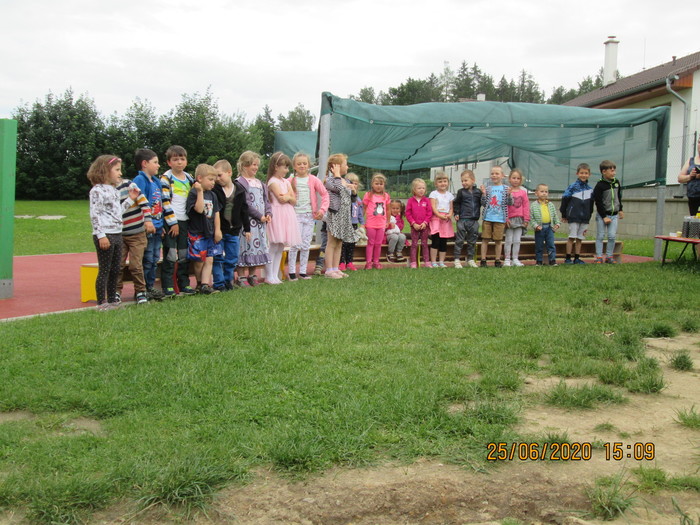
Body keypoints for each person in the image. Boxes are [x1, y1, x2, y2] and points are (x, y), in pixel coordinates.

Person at [87, 155, 139, 310]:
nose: (120, 173)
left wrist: (130, 199)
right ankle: (101, 302)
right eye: (117, 170)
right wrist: (101, 235)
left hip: (117, 233)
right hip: (105, 234)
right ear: (105, 170)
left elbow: (117, 212)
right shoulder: (97, 191)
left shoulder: (114, 190)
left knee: (116, 269)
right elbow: (95, 214)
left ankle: (112, 300)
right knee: (105, 269)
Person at [160, 145, 196, 296]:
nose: (179, 162)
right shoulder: (166, 178)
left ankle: (184, 284)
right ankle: (168, 285)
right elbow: (165, 202)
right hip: (171, 221)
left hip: (185, 220)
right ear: (169, 162)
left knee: (183, 253)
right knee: (170, 254)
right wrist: (172, 222)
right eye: (175, 159)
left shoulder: (189, 178)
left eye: (182, 159)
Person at [288, 152, 328, 280]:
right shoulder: (291, 180)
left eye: (304, 163)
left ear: (309, 165)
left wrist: (322, 210)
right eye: (299, 164)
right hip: (295, 216)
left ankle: (303, 271)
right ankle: (291, 272)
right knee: (295, 244)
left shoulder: (313, 180)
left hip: (309, 216)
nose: (302, 166)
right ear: (294, 166)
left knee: (306, 244)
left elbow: (325, 194)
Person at [212, 159, 250, 291]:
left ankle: (228, 281)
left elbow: (244, 210)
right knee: (217, 257)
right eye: (215, 176)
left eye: (219, 175)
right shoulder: (215, 190)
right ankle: (219, 283)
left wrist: (247, 228)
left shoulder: (239, 190)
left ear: (229, 172)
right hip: (219, 230)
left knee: (232, 258)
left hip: (234, 230)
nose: (217, 179)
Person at [133, 148, 165, 300]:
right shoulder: (140, 180)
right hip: (147, 227)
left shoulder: (156, 181)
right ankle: (142, 289)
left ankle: (150, 286)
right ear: (144, 163)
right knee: (147, 259)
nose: (158, 165)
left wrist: (162, 224)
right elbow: (140, 203)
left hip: (158, 227)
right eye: (155, 162)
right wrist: (148, 222)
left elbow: (160, 205)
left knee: (154, 259)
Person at [115, 176, 153, 304]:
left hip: (137, 233)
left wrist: (148, 220)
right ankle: (116, 291)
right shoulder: (108, 190)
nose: (119, 173)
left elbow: (144, 203)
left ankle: (140, 291)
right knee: (118, 265)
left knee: (135, 265)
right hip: (119, 234)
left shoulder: (129, 185)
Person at [236, 151, 271, 287]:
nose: (256, 167)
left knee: (257, 247)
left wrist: (268, 213)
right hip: (247, 222)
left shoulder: (260, 183)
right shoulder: (240, 183)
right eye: (253, 165)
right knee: (245, 246)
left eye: (256, 165)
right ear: (244, 166)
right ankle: (241, 276)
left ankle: (252, 274)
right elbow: (246, 204)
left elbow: (266, 200)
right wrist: (259, 215)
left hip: (260, 223)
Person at [266, 152, 301, 285]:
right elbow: (280, 199)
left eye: (287, 167)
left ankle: (275, 275)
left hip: (286, 214)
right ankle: (269, 275)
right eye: (285, 167)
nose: (286, 170)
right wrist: (288, 197)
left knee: (280, 246)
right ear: (276, 167)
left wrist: (288, 197)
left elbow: (294, 200)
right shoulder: (272, 182)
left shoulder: (286, 182)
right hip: (277, 214)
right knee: (273, 245)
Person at [186, 164, 222, 294]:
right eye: (210, 179)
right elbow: (199, 209)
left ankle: (205, 285)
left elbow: (216, 213)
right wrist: (200, 191)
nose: (213, 183)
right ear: (200, 178)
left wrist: (218, 230)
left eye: (214, 180)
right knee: (199, 261)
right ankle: (199, 282)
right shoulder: (194, 193)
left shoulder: (213, 195)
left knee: (209, 259)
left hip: (209, 233)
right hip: (197, 232)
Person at [324, 153, 354, 278]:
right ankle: (329, 270)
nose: (347, 167)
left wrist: (351, 188)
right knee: (332, 242)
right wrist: (336, 175)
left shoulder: (345, 181)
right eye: (345, 164)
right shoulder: (330, 180)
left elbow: (350, 195)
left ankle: (336, 268)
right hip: (335, 214)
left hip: (344, 215)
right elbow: (338, 189)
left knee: (339, 242)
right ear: (336, 166)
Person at [560, 163, 594, 264]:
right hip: (573, 216)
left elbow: (591, 204)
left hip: (585, 218)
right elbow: (565, 200)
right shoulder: (572, 187)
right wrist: (564, 214)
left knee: (580, 238)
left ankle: (577, 258)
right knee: (572, 237)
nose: (584, 175)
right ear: (577, 174)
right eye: (581, 173)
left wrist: (589, 215)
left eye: (586, 173)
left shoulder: (590, 189)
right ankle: (568, 258)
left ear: (589, 174)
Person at [480, 166, 512, 267]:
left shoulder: (506, 189)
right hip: (488, 218)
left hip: (500, 219)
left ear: (502, 176)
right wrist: (483, 194)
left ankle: (497, 260)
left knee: (498, 240)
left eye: (497, 173)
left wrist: (509, 195)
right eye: (492, 173)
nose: (494, 175)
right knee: (485, 239)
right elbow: (483, 203)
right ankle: (483, 260)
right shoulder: (488, 188)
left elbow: (510, 203)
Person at [593, 160, 624, 264]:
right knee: (600, 236)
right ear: (604, 172)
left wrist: (620, 209)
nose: (614, 173)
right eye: (611, 171)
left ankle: (609, 256)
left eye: (614, 170)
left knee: (612, 236)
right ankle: (599, 257)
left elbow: (619, 197)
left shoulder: (616, 182)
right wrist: (603, 216)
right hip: (603, 215)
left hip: (614, 215)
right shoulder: (599, 185)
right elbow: (598, 202)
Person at [452, 169, 481, 268]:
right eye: (462, 181)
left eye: (466, 180)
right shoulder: (461, 192)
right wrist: (456, 213)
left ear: (473, 180)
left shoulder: (478, 192)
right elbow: (456, 203)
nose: (463, 183)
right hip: (462, 219)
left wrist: (484, 193)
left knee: (472, 241)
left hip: (474, 220)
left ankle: (470, 259)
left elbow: (482, 203)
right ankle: (457, 259)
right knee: (459, 240)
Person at [363, 173, 392, 269]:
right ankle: (368, 262)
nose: (379, 186)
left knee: (378, 243)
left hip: (381, 224)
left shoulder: (386, 196)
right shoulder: (368, 195)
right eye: (376, 183)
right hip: (371, 224)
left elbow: (388, 209)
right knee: (370, 243)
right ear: (372, 184)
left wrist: (388, 221)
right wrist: (362, 221)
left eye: (381, 184)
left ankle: (376, 261)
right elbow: (364, 208)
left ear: (384, 185)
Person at [503, 169, 530, 267]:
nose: (516, 180)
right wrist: (506, 219)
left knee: (517, 240)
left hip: (520, 220)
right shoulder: (507, 191)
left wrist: (526, 219)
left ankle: (515, 259)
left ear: (521, 180)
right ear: (509, 179)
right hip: (510, 220)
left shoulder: (523, 193)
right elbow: (504, 205)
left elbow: (526, 206)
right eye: (513, 178)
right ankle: (507, 259)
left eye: (518, 178)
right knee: (508, 240)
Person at [530, 183, 560, 266]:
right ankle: (539, 261)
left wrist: (557, 224)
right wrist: (536, 226)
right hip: (539, 228)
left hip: (549, 227)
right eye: (542, 191)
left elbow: (555, 216)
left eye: (546, 192)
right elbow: (531, 218)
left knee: (551, 244)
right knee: (539, 245)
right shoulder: (533, 205)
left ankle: (552, 260)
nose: (544, 193)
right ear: (536, 193)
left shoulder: (550, 205)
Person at [428, 171, 454, 268]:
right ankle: (433, 261)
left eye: (445, 181)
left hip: (446, 220)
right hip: (436, 219)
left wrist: (450, 214)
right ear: (436, 183)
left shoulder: (450, 195)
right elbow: (433, 207)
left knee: (443, 241)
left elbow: (451, 208)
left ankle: (441, 261)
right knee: (436, 240)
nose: (443, 183)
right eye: (440, 182)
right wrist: (439, 215)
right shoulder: (433, 194)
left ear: (448, 183)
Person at [405, 178, 432, 268]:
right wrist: (413, 223)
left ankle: (426, 261)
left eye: (423, 188)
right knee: (414, 244)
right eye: (419, 188)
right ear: (414, 189)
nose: (421, 190)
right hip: (414, 227)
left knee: (424, 243)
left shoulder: (426, 200)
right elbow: (408, 213)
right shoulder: (410, 201)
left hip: (424, 226)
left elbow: (429, 213)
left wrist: (425, 223)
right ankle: (413, 262)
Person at [339, 172, 364, 271]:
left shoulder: (358, 199)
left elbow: (360, 212)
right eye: (351, 183)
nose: (353, 185)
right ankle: (341, 262)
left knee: (352, 244)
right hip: (345, 223)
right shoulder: (345, 197)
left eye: (356, 183)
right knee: (343, 244)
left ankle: (349, 262)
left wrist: (362, 223)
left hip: (354, 224)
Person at [677, 135, 700, 215]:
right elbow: (680, 178)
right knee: (694, 220)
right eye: (699, 142)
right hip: (693, 197)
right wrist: (690, 176)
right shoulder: (691, 160)